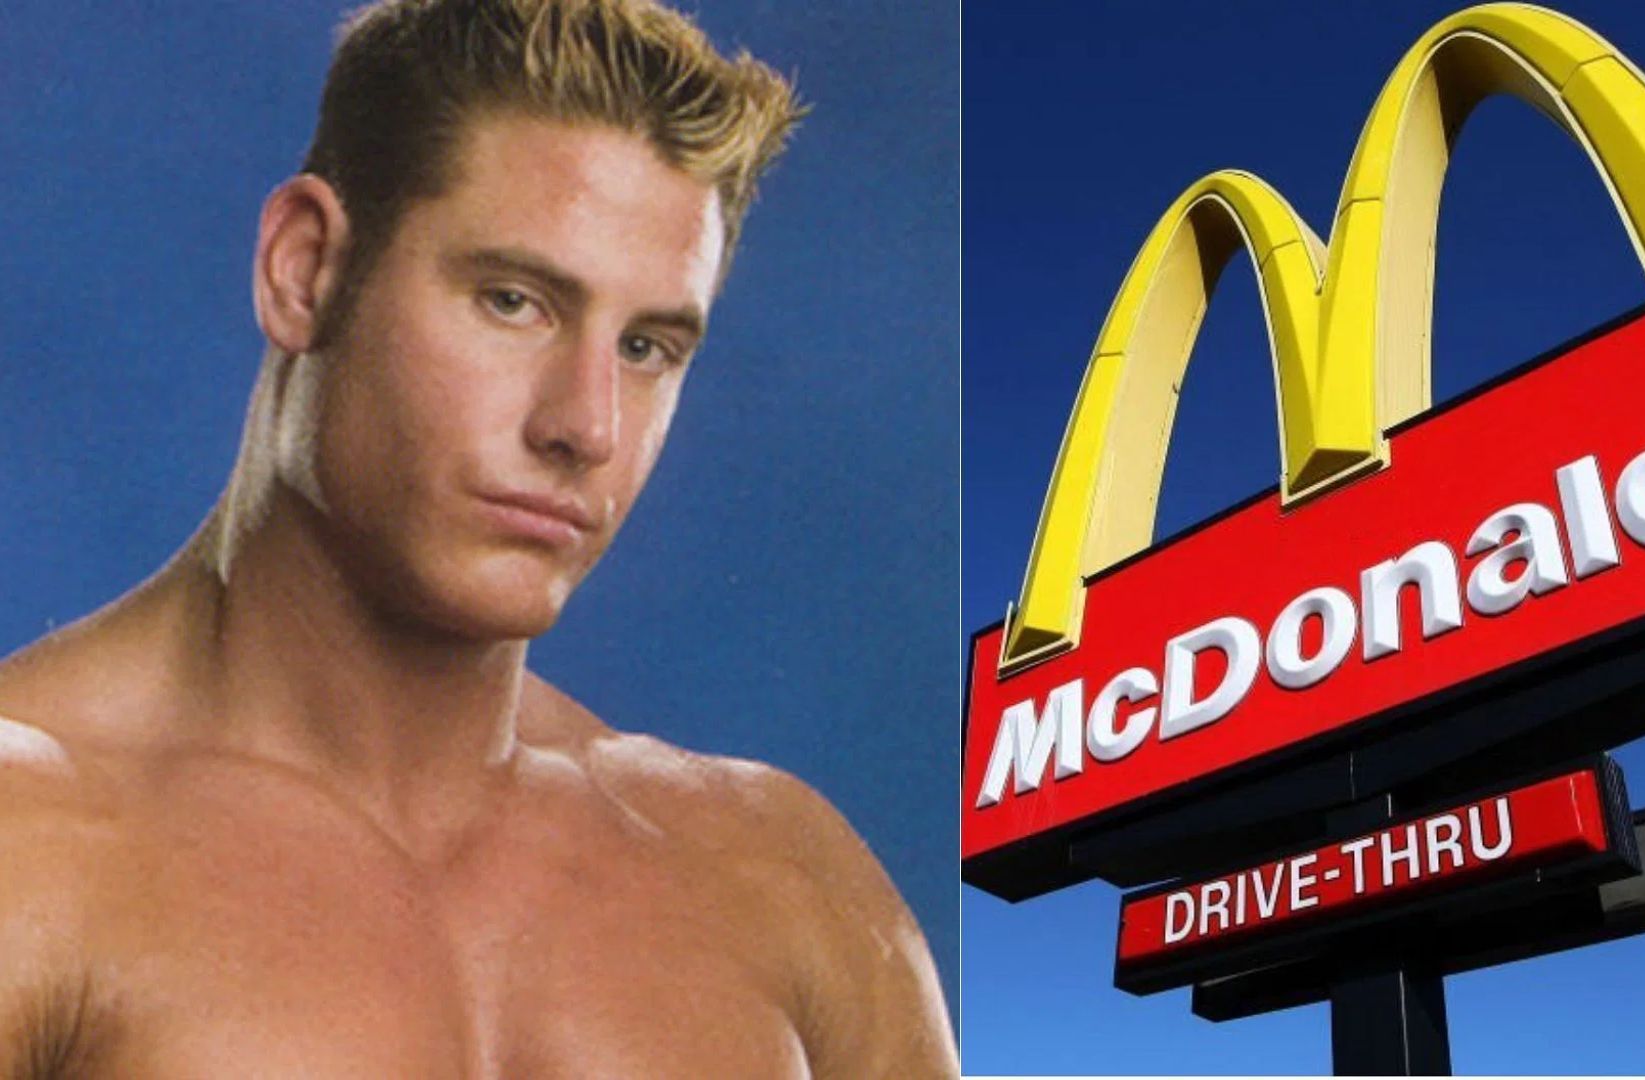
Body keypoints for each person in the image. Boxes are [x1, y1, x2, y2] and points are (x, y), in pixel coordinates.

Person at [0, 0, 957, 1074]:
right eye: (513, 301)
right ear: (305, 269)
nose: (584, 426)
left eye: (646, 346)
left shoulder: (785, 887)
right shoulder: (28, 848)